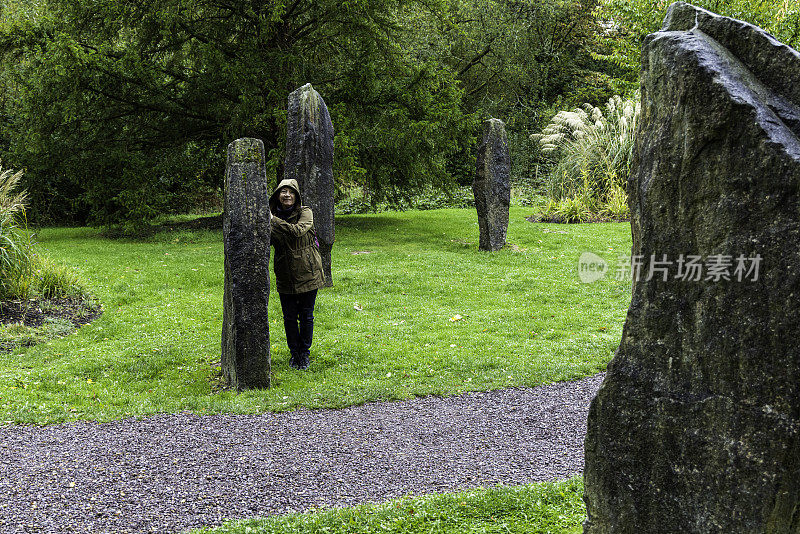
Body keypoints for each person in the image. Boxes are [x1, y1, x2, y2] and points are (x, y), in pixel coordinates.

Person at [269, 178, 326, 370]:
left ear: (297, 195)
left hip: (308, 271)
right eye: (283, 192)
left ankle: (304, 353)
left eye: (291, 192)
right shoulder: (271, 216)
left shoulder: (305, 212)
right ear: (277, 195)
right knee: (289, 317)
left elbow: (298, 231)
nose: (287, 195)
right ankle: (294, 354)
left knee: (306, 315)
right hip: (285, 272)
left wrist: (272, 220)